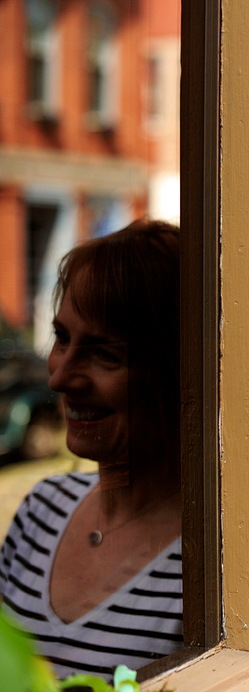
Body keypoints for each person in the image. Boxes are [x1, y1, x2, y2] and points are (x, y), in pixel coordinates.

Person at [0, 220, 182, 681]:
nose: (59, 377)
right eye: (62, 338)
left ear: (179, 370)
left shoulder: (219, 565)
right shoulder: (42, 510)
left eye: (104, 354)